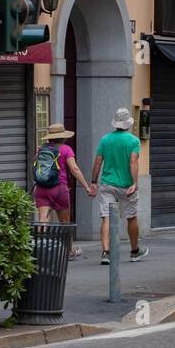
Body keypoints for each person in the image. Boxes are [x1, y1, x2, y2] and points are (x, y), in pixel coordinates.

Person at [90, 108, 149, 264]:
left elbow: (97, 162)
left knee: (106, 217)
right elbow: (133, 162)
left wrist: (93, 182)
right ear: (128, 123)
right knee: (131, 216)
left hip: (107, 184)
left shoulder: (105, 140)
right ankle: (135, 251)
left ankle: (105, 253)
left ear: (115, 124)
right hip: (126, 185)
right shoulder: (133, 141)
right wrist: (135, 183)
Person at [31, 124, 93, 259]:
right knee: (65, 222)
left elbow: (36, 167)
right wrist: (86, 187)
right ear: (63, 137)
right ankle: (68, 251)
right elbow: (74, 169)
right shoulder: (66, 149)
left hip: (41, 189)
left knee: (43, 220)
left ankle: (39, 251)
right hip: (59, 189)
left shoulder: (41, 149)